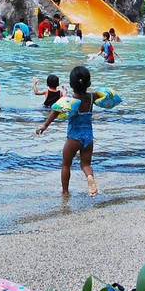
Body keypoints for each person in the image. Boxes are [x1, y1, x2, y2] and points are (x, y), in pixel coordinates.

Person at [36, 65, 109, 197]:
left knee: (66, 164)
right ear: (89, 83)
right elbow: (106, 96)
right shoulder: (92, 97)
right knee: (86, 164)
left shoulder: (69, 100)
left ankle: (65, 191)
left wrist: (44, 126)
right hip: (88, 138)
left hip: (73, 138)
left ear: (71, 84)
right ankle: (89, 177)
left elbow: (55, 112)